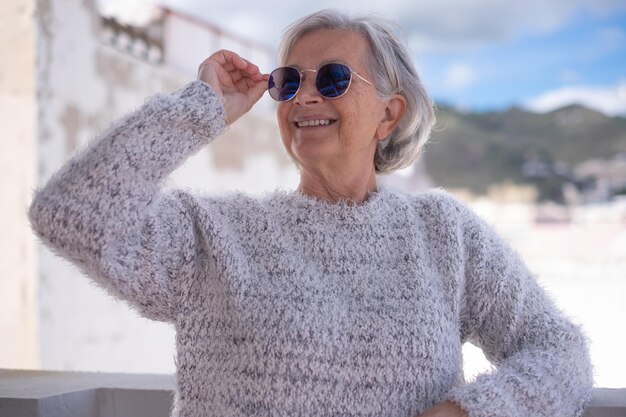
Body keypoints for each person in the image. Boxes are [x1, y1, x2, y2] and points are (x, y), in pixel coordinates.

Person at [28, 9, 593, 417]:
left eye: (333, 78)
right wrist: (202, 107)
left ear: (389, 114)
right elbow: (71, 212)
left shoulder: (445, 234)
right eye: (288, 81)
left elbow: (558, 352)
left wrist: (469, 413)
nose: (304, 96)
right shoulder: (214, 235)